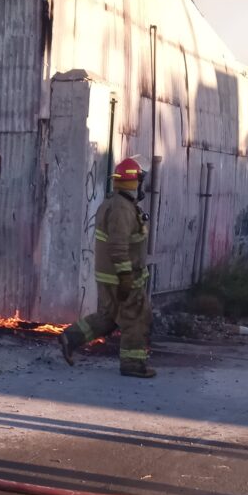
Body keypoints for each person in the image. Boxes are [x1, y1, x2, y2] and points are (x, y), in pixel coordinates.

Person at [59, 156, 156, 378]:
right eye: (139, 181)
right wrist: (125, 276)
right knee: (135, 317)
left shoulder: (117, 204)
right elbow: (118, 245)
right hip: (121, 277)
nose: (142, 186)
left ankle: (70, 338)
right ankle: (133, 365)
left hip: (110, 277)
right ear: (133, 183)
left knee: (108, 317)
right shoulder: (122, 209)